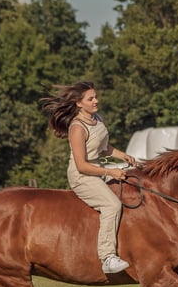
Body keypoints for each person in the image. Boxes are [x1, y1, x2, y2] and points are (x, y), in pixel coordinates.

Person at [40, 81, 136, 274]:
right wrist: (111, 171)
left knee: (132, 182)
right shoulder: (77, 128)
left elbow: (103, 148)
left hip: (98, 167)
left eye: (95, 97)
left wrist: (122, 155)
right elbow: (82, 165)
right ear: (78, 103)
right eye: (90, 99)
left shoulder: (97, 118)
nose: (96, 101)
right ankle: (107, 257)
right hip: (82, 175)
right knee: (112, 205)